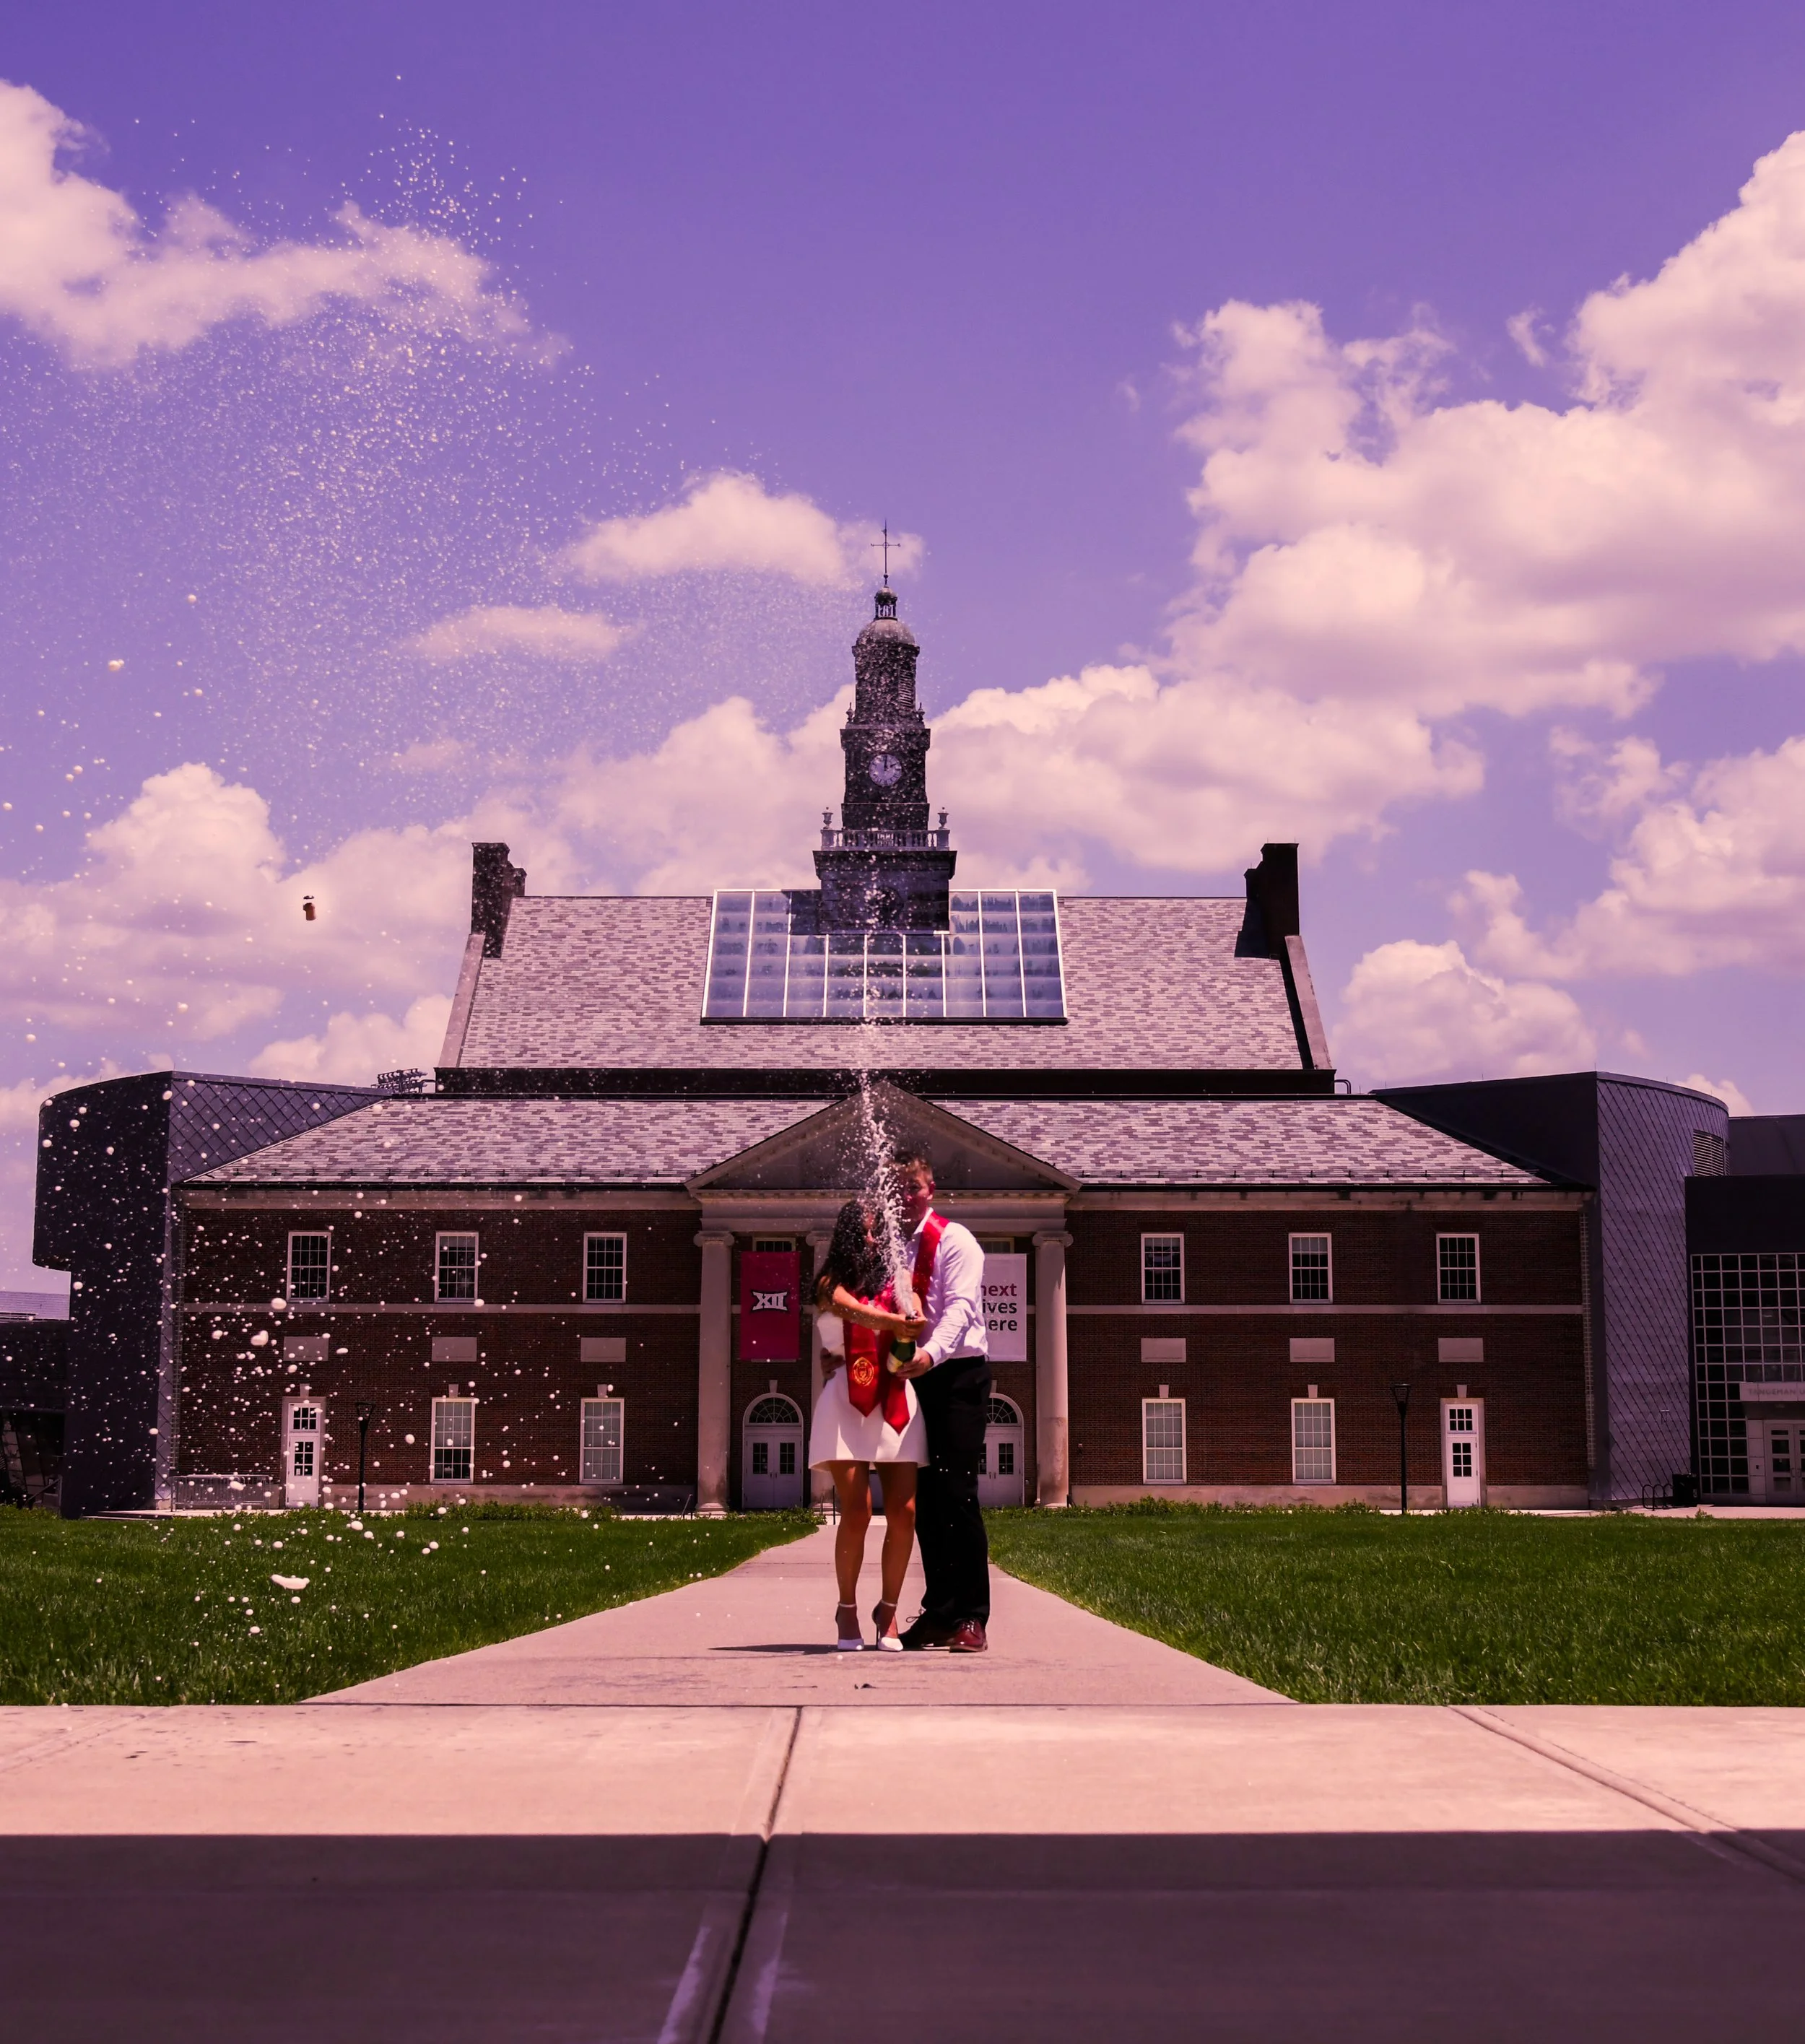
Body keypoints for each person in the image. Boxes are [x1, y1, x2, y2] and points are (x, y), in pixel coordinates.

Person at [808, 1194, 929, 1651]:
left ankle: (890, 1612)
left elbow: (913, 1320)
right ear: (847, 1235)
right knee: (856, 1509)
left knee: (904, 1513)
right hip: (846, 1398)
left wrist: (912, 1324)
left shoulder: (898, 1281)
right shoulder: (826, 1283)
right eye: (866, 1230)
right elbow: (850, 1310)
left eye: (879, 1229)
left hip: (895, 1395)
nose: (875, 1238)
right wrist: (895, 1320)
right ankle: (846, 1610)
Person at [884, 1147, 992, 1652]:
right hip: (916, 1377)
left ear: (931, 1189)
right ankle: (941, 1611)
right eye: (897, 1187)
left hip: (957, 1376)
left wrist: (930, 1355)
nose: (904, 1196)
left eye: (913, 1187)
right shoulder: (893, 1248)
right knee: (923, 1500)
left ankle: (972, 1615)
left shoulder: (955, 1240)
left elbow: (960, 1310)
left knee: (957, 1494)